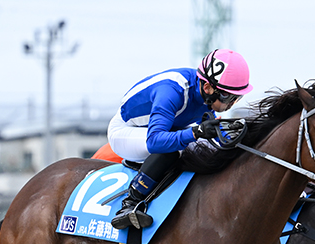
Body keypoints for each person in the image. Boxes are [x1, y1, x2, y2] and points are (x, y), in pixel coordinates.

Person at [108, 49, 253, 229]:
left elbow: (215, 133)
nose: (230, 104)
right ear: (207, 88)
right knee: (175, 147)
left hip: (161, 129)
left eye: (237, 98)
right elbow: (155, 141)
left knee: (207, 147)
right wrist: (196, 132)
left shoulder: (206, 94)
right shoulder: (172, 92)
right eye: (227, 96)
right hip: (126, 131)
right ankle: (130, 203)